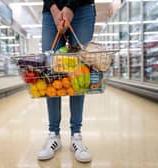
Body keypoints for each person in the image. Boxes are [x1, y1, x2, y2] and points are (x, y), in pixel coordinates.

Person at [38, 0, 96, 163]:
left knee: (79, 72)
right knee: (51, 72)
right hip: (51, 11)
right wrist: (55, 10)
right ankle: (53, 134)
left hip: (82, 8)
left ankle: (76, 135)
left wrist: (71, 6)